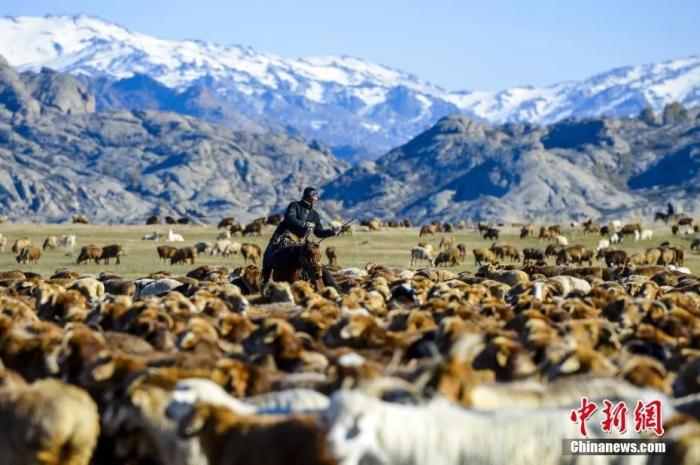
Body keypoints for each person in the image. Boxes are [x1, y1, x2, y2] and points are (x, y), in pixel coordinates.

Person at [262, 187, 341, 289]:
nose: (316, 199)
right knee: (269, 254)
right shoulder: (294, 206)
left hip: (299, 243)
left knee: (315, 261)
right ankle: (266, 281)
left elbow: (319, 232)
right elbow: (290, 218)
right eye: (314, 196)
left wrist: (332, 232)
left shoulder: (315, 215)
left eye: (317, 197)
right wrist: (304, 224)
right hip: (282, 238)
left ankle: (325, 286)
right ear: (307, 197)